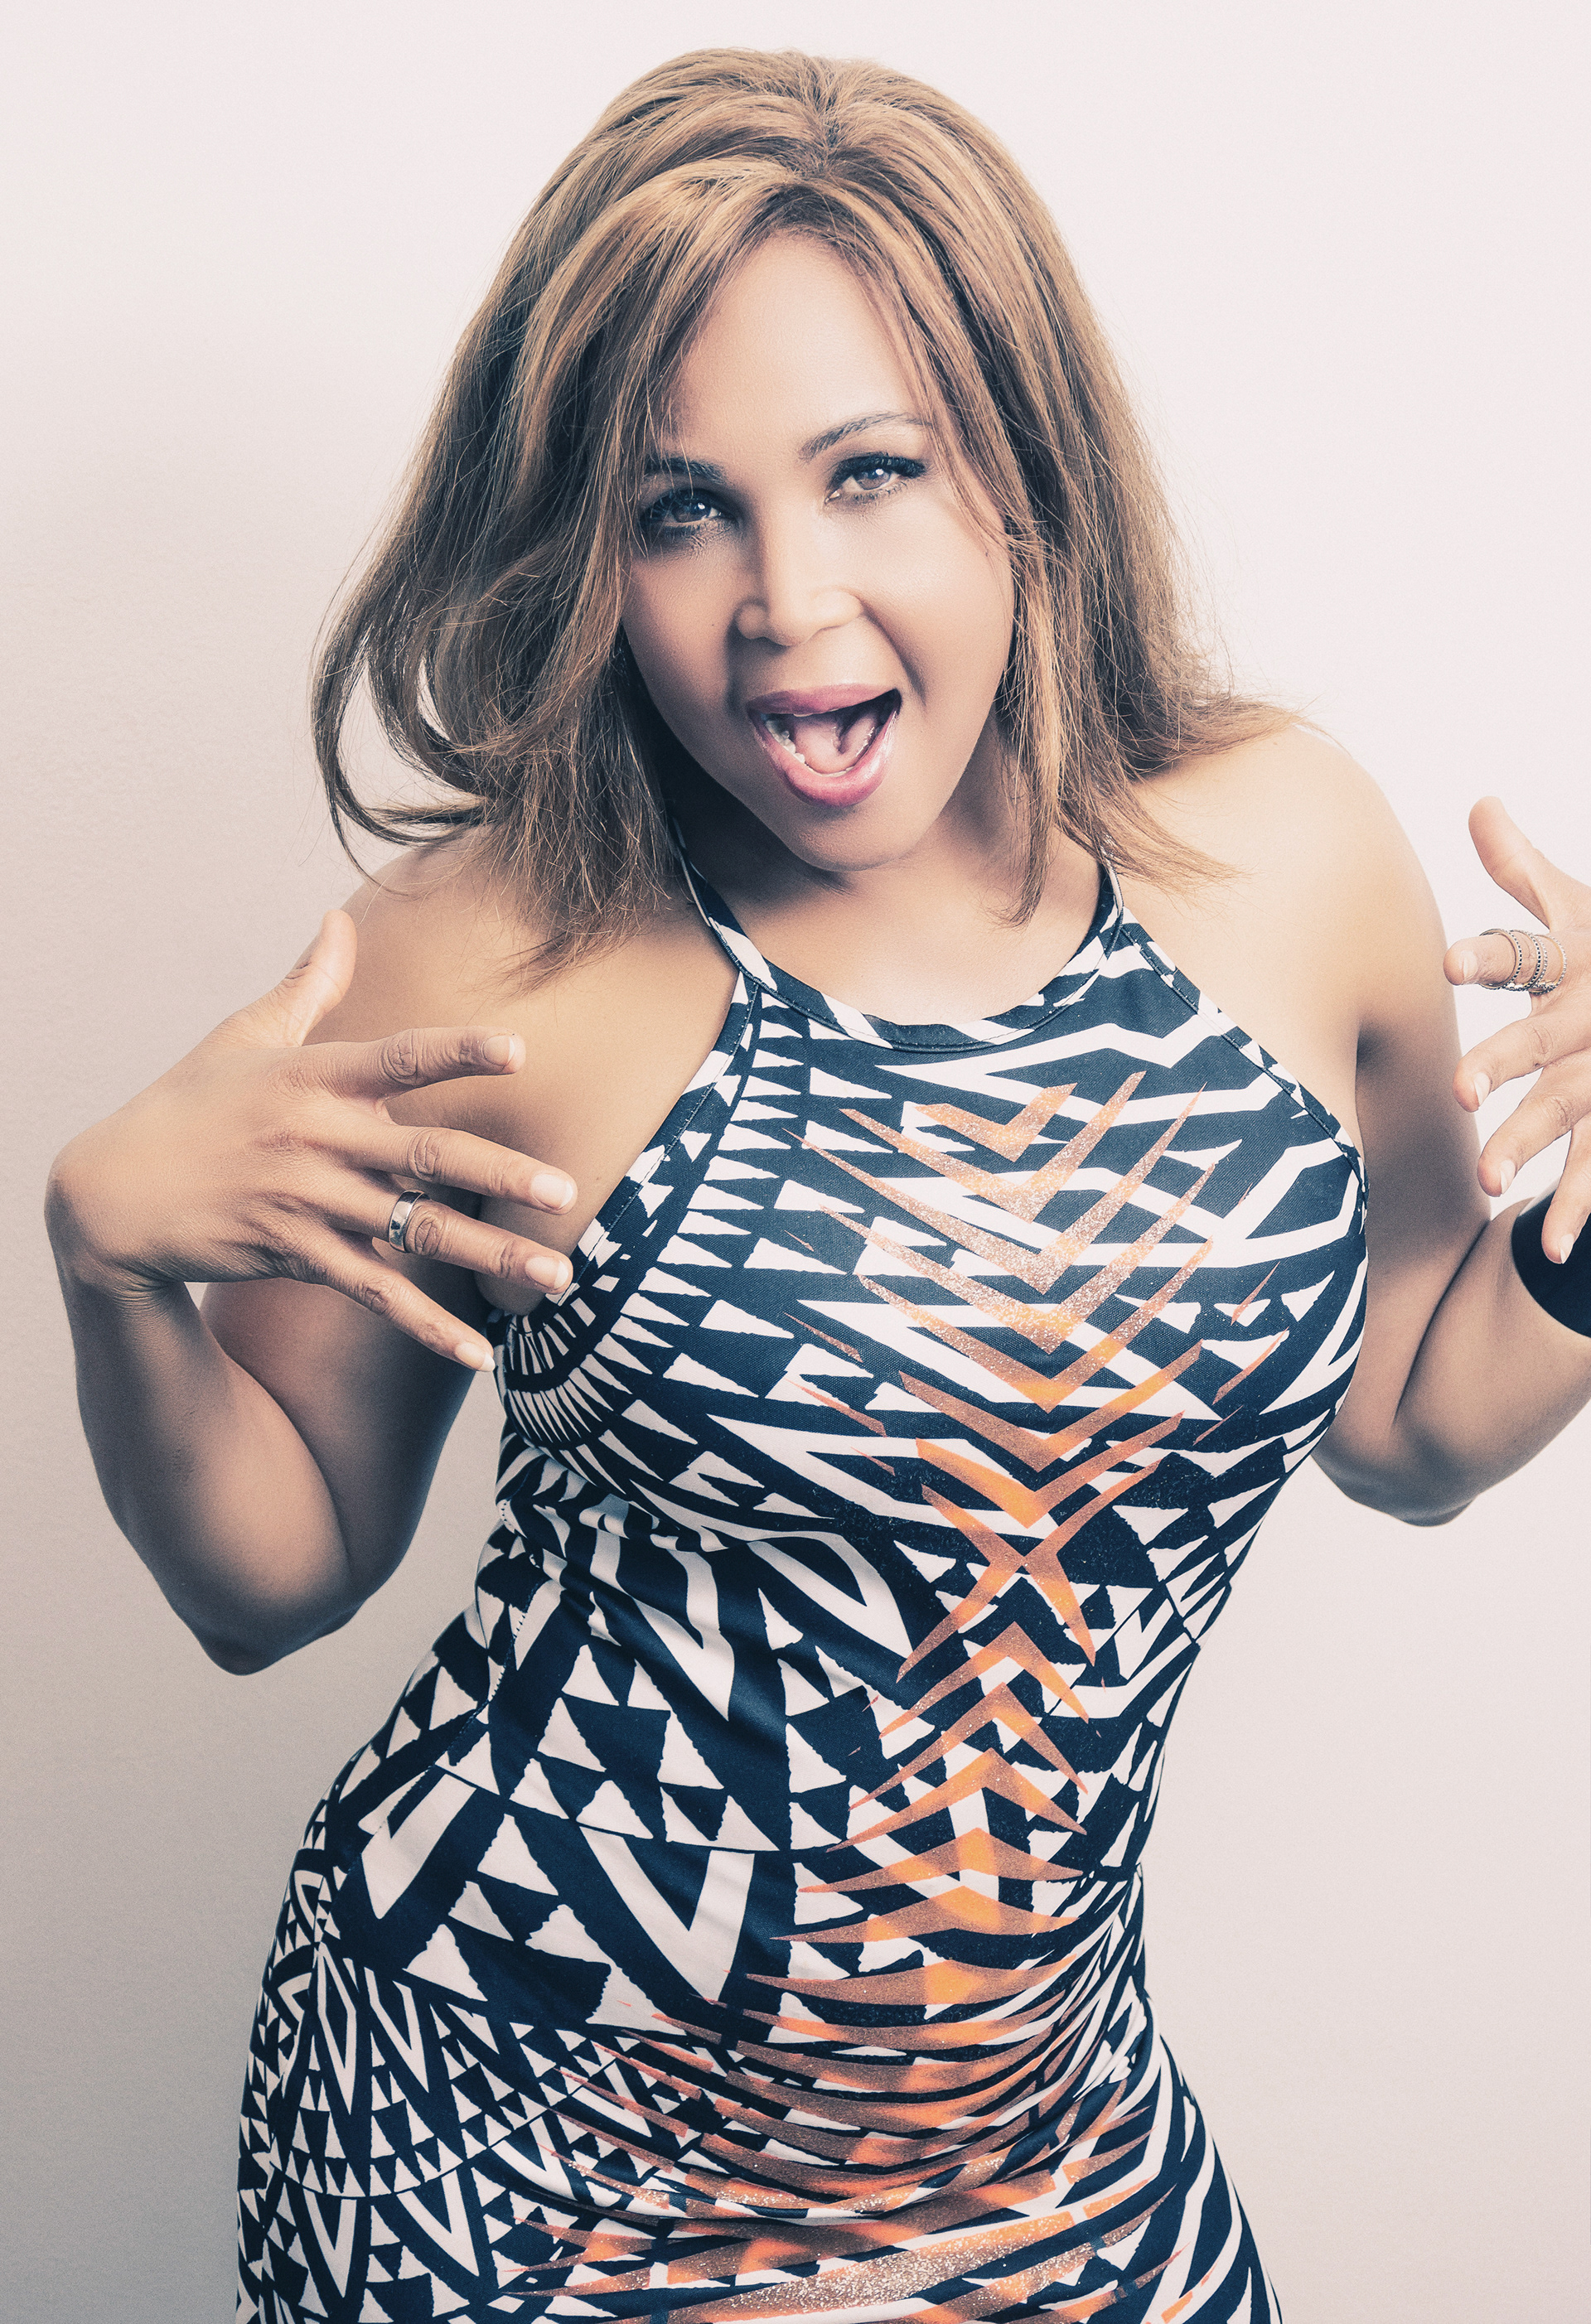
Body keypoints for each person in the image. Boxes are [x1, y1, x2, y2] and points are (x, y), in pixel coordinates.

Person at [42, 46, 1591, 2324]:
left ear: (1025, 476)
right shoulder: (486, 955)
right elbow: (275, 1573)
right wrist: (108, 1267)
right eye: (682, 510)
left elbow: (1416, 1419)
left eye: (873, 472)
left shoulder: (1283, 847)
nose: (784, 601)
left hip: (1046, 2161)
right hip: (502, 2165)